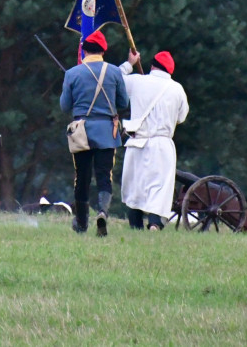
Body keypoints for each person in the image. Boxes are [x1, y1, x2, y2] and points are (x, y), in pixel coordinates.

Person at [60, 30, 130, 236]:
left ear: (84, 50)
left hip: (81, 132)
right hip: (107, 132)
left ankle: (81, 223)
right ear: (103, 51)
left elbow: (65, 106)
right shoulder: (115, 72)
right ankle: (102, 212)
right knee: (104, 176)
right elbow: (123, 103)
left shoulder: (72, 73)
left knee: (81, 177)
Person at [118, 49, 189, 231]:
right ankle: (155, 223)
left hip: (138, 142)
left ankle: (135, 224)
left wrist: (130, 63)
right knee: (159, 188)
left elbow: (115, 79)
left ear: (152, 66)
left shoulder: (136, 81)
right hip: (162, 144)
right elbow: (181, 117)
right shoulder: (177, 89)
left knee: (136, 187)